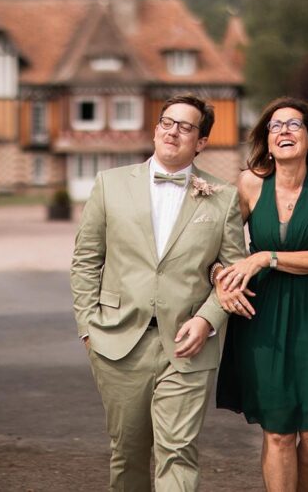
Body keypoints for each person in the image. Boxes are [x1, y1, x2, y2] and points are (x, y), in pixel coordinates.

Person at [71, 94, 246, 491]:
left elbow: (233, 273)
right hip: (117, 342)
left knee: (178, 451)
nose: (174, 131)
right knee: (127, 453)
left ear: (200, 142)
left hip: (189, 345)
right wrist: (87, 327)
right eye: (168, 122)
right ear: (155, 129)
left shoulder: (223, 197)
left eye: (186, 127)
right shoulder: (109, 185)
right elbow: (85, 261)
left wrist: (207, 319)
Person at [214, 96, 308, 492]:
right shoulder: (249, 183)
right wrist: (220, 276)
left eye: (294, 125)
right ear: (267, 141)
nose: (284, 131)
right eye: (275, 126)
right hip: (263, 314)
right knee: (278, 432)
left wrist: (263, 258)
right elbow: (216, 246)